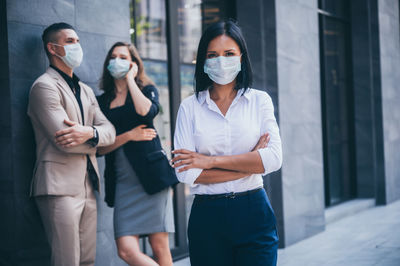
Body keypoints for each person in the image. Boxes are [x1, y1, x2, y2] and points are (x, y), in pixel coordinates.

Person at [172, 20, 282, 266]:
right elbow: (185, 173)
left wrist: (209, 162)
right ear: (203, 60)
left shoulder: (259, 101)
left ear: (241, 58)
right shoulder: (189, 107)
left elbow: (273, 159)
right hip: (207, 218)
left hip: (254, 211)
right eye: (213, 55)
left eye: (229, 53)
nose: (221, 61)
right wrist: (250, 161)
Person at [27, 22, 116, 266]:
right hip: (58, 187)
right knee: (67, 261)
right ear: (52, 48)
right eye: (69, 41)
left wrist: (89, 132)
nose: (77, 46)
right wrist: (98, 137)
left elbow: (111, 131)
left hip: (88, 184)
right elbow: (64, 140)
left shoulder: (85, 90)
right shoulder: (44, 86)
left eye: (77, 41)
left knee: (87, 260)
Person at [97, 42, 174, 266]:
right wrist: (128, 136)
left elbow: (145, 112)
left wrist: (130, 79)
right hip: (122, 184)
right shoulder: (101, 101)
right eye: (114, 56)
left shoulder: (147, 90)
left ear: (133, 63)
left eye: (123, 57)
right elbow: (100, 148)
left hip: (152, 178)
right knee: (126, 251)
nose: (117, 61)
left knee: (160, 248)